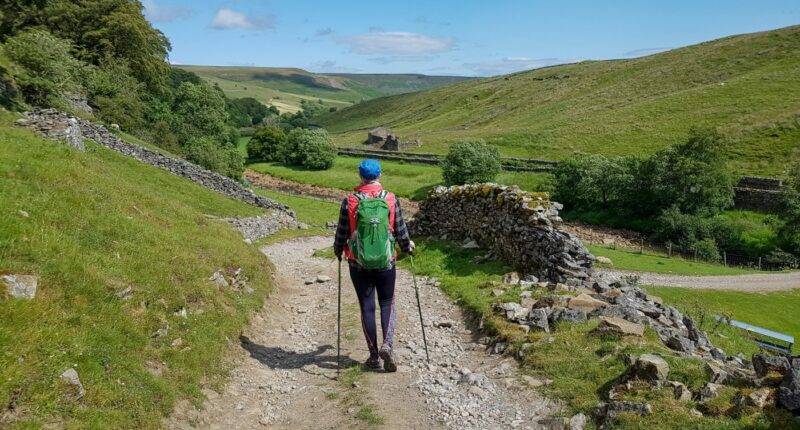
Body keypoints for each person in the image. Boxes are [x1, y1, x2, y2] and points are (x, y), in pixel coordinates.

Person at [333, 159, 415, 372]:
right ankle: (387, 344)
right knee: (387, 302)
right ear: (379, 175)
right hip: (386, 262)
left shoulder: (350, 200)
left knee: (367, 307)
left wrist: (338, 250)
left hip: (358, 263)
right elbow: (400, 229)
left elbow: (342, 232)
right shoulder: (390, 198)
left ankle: (373, 356)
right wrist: (407, 247)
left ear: (360, 176)